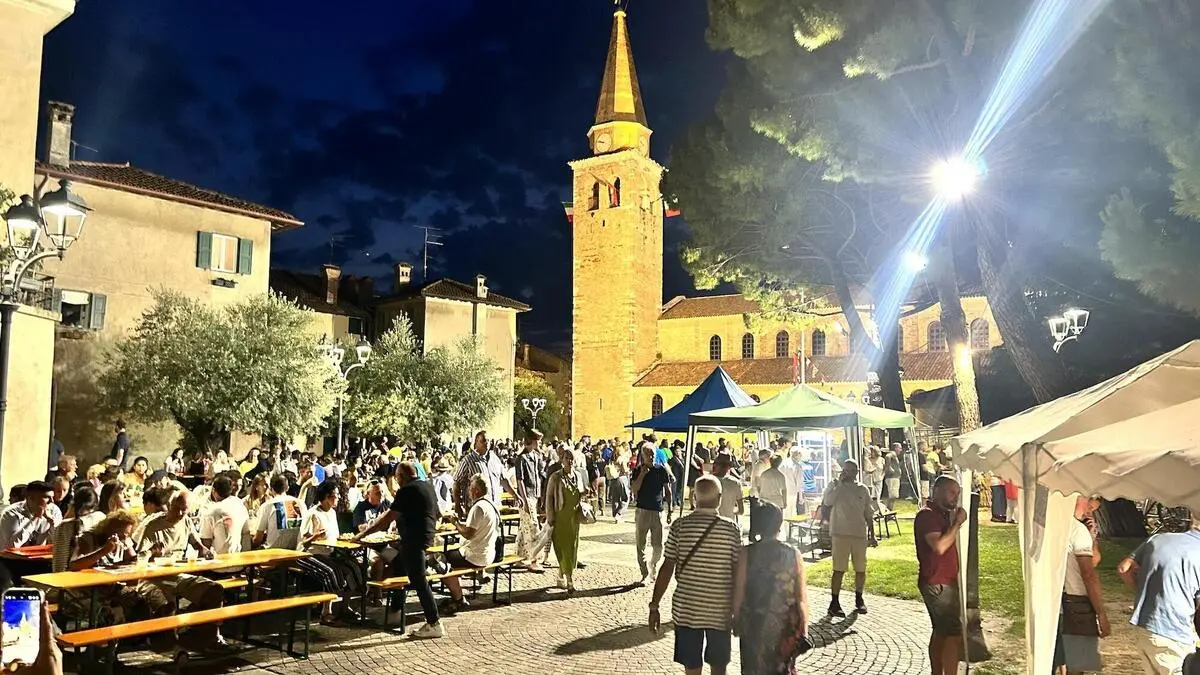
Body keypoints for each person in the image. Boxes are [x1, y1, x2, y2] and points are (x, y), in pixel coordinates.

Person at [648, 476, 741, 675]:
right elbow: (737, 573)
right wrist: (738, 609)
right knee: (719, 667)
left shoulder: (679, 526)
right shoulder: (731, 529)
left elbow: (667, 568)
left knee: (691, 667)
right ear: (720, 498)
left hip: (686, 610)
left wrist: (654, 605)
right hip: (720, 610)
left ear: (694, 497)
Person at [353, 462, 443, 639]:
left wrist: (363, 534)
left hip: (413, 541)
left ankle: (434, 622)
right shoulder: (427, 486)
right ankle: (395, 611)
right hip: (422, 538)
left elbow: (388, 517)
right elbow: (437, 513)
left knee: (419, 581)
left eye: (397, 478)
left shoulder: (407, 490)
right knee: (400, 566)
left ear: (401, 477)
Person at [134, 491, 226, 646]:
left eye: (185, 509)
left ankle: (210, 636)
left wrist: (207, 552)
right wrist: (151, 552)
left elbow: (198, 545)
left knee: (214, 590)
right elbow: (139, 558)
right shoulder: (153, 526)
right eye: (177, 509)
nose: (181, 513)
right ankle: (166, 641)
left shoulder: (186, 521)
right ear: (169, 506)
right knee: (166, 605)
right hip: (153, 578)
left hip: (177, 574)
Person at [1117, 511, 1200, 675]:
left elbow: (1124, 568)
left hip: (1144, 628)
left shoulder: (1157, 539)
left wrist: (1145, 592)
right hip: (1174, 633)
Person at [732, 502, 809, 675]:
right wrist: (803, 626)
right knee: (782, 669)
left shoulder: (746, 553)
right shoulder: (793, 554)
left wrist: (736, 617)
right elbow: (800, 597)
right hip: (785, 622)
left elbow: (739, 588)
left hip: (753, 620)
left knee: (753, 668)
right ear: (779, 524)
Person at [914, 475, 968, 675]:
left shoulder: (944, 515)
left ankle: (937, 672)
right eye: (951, 492)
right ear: (937, 491)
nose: (956, 497)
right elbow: (939, 546)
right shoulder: (927, 516)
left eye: (958, 493)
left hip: (945, 581)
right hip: (937, 582)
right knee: (952, 634)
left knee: (941, 632)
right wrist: (957, 523)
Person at [1055, 496, 1109, 675]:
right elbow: (1088, 574)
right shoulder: (1077, 530)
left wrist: (1092, 539)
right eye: (1089, 506)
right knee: (1077, 664)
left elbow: (1093, 561)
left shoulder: (1057, 523)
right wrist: (1101, 613)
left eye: (1093, 510)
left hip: (1053, 598)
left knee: (1056, 659)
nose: (1089, 513)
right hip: (1076, 601)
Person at [297, 481, 363, 623]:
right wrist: (315, 536)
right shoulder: (313, 514)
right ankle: (326, 612)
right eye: (336, 495)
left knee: (353, 567)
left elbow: (334, 537)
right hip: (309, 554)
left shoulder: (332, 513)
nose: (338, 498)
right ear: (327, 497)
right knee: (331, 572)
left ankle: (345, 607)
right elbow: (305, 542)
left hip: (329, 552)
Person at [820, 459, 876, 617]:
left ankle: (859, 598)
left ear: (857, 472)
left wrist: (872, 534)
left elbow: (868, 512)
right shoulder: (834, 486)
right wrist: (839, 484)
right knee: (839, 569)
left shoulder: (862, 489)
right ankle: (834, 602)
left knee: (860, 568)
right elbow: (828, 502)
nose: (849, 473)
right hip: (840, 533)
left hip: (859, 533)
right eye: (846, 470)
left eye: (852, 470)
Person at [438, 474, 500, 614]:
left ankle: (458, 598)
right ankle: (457, 593)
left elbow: (468, 534)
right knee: (449, 556)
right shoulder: (490, 505)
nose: (468, 491)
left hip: (475, 555)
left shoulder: (478, 507)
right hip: (487, 552)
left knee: (440, 561)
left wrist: (455, 522)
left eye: (470, 487)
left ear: (476, 490)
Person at [631, 442, 673, 586]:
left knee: (658, 546)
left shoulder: (661, 470)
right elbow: (634, 489)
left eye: (653, 453)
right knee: (640, 545)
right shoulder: (637, 470)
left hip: (657, 511)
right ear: (643, 455)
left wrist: (670, 509)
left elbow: (668, 490)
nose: (651, 456)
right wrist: (642, 474)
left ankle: (653, 564)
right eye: (648, 454)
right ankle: (645, 574)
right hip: (642, 510)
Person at [545, 449, 586, 594]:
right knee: (562, 548)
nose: (570, 461)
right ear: (562, 459)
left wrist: (585, 492)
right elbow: (549, 497)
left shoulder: (578, 475)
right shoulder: (555, 477)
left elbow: (580, 492)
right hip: (560, 516)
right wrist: (550, 516)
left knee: (572, 547)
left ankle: (561, 575)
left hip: (574, 517)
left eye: (572, 458)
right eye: (567, 458)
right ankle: (569, 580)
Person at [513, 430, 546, 572]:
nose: (539, 443)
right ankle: (534, 559)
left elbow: (540, 473)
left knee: (524, 528)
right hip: (526, 496)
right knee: (533, 527)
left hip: (535, 495)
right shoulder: (521, 458)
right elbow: (520, 480)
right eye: (538, 440)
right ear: (531, 441)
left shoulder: (535, 456)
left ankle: (520, 557)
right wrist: (524, 500)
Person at [0, 481, 61, 550]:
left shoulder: (54, 510)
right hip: (14, 556)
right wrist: (35, 519)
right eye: (46, 497)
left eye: (52, 497)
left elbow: (59, 544)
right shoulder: (11, 513)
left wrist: (52, 522)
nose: (52, 501)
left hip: (42, 555)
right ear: (30, 498)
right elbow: (10, 547)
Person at [252, 474, 306, 550]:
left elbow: (258, 539)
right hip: (297, 552)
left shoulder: (267, 505)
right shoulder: (301, 504)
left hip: (273, 553)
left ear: (271, 489)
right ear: (287, 488)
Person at [200, 475, 250, 556]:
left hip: (218, 561)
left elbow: (205, 544)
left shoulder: (211, 511)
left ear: (213, 490)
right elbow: (246, 532)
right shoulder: (240, 505)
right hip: (238, 558)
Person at [713, 455, 744, 529]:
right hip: (728, 524)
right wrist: (731, 511)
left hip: (711, 524)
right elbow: (741, 511)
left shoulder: (706, 481)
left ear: (715, 465)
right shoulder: (736, 483)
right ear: (729, 467)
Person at [883, 446, 902, 511]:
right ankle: (888, 509)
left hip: (895, 477)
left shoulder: (895, 455)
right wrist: (889, 467)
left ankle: (890, 509)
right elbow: (887, 457)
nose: (901, 450)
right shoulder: (892, 453)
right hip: (892, 478)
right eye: (900, 448)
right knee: (893, 495)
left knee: (894, 495)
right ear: (896, 448)